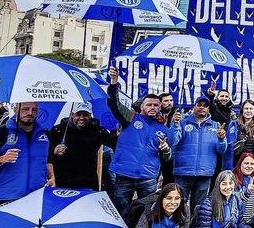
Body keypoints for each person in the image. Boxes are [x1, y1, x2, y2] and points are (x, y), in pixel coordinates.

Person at [106, 66, 175, 215]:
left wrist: (166, 150)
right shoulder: (130, 118)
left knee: (147, 215)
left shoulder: (164, 129)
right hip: (124, 175)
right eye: (149, 104)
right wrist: (114, 82)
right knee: (121, 213)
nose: (152, 107)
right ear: (142, 106)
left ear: (160, 107)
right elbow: (113, 103)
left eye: (156, 105)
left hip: (148, 178)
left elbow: (167, 158)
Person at [0, 102, 52, 210]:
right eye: (25, 109)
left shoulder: (45, 134)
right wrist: (2, 159)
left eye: (34, 109)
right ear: (16, 109)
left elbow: (47, 161)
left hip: (34, 198)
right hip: (1, 199)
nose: (30, 113)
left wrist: (52, 177)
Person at [47, 102, 117, 190]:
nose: (81, 118)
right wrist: (54, 150)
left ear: (90, 115)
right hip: (62, 182)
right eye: (78, 114)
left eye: (85, 115)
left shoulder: (98, 131)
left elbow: (114, 143)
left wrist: (117, 131)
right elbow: (46, 153)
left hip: (87, 182)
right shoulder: (58, 130)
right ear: (72, 114)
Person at [173, 96, 224, 212]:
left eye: (205, 106)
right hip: (183, 172)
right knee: (178, 207)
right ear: (194, 107)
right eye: (199, 105)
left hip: (204, 174)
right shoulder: (182, 123)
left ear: (209, 109)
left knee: (198, 209)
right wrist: (175, 126)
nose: (202, 107)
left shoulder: (216, 126)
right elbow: (173, 141)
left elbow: (221, 150)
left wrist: (222, 139)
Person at [224, 100, 254, 169]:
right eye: (246, 108)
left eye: (251, 109)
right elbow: (227, 146)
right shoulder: (233, 124)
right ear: (242, 110)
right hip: (236, 164)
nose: (248, 111)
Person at [158, 93, 178, 186]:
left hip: (171, 153)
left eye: (171, 100)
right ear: (160, 103)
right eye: (166, 101)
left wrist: (175, 123)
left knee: (169, 182)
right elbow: (136, 105)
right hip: (156, 152)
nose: (169, 103)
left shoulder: (177, 114)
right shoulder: (155, 113)